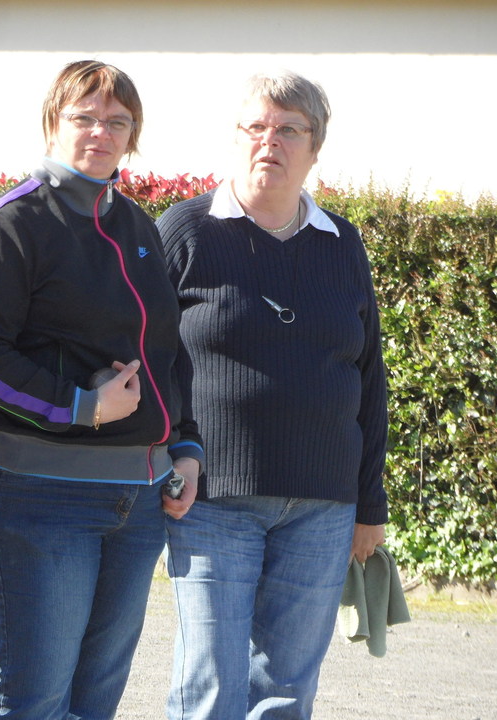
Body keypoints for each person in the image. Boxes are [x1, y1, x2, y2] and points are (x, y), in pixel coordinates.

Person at [0, 59, 205, 720]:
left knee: (95, 702)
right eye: (83, 117)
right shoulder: (12, 221)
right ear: (52, 123)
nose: (101, 131)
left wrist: (184, 445)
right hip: (39, 495)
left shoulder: (139, 226)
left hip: (140, 499)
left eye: (117, 120)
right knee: (33, 701)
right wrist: (80, 406)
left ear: (133, 133)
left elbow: (167, 352)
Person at [157, 70, 389, 720]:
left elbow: (369, 376)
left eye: (290, 129)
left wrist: (369, 503)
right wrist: (177, 448)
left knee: (288, 692)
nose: (271, 142)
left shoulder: (343, 244)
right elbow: (153, 358)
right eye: (256, 127)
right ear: (235, 139)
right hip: (214, 502)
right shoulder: (186, 232)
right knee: (210, 687)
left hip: (323, 508)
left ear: (315, 148)